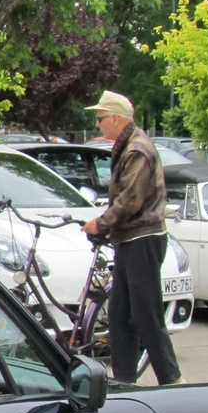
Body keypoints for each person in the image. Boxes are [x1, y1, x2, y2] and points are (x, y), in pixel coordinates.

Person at [81, 90, 182, 386]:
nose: (98, 125)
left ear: (115, 118)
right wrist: (109, 225)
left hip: (143, 240)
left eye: (100, 119)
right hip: (131, 239)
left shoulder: (137, 149)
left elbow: (131, 199)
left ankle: (172, 381)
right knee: (121, 317)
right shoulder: (129, 146)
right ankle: (124, 383)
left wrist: (101, 223)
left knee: (146, 314)